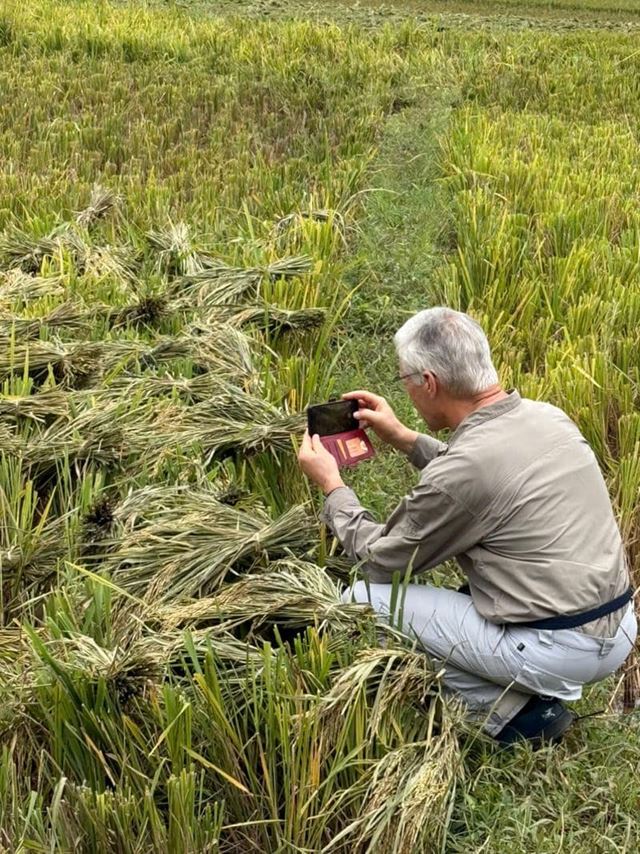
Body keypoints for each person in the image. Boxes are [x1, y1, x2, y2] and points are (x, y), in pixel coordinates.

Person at [297, 307, 637, 747]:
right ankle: (522, 684)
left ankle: (515, 716)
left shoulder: (463, 473)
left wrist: (332, 486)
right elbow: (488, 478)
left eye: (405, 379)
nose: (406, 388)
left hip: (559, 648)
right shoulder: (547, 416)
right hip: (620, 628)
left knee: (362, 602)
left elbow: (381, 561)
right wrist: (404, 437)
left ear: (429, 383)